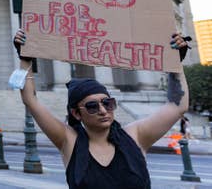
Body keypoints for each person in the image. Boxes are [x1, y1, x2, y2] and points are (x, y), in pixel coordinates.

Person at [13, 29, 190, 189]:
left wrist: (175, 63)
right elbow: (31, 100)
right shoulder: (69, 141)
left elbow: (177, 106)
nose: (103, 111)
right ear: (76, 113)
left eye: (107, 103)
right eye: (92, 106)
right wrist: (25, 58)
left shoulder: (135, 135)